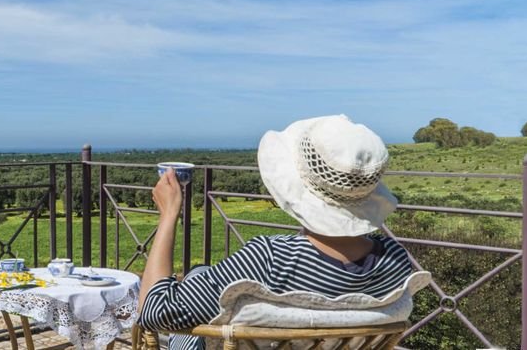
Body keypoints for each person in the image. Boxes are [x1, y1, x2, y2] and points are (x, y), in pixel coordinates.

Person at [137, 115, 413, 349]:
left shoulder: (270, 259)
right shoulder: (397, 263)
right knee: (199, 274)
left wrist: (169, 214)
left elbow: (152, 313)